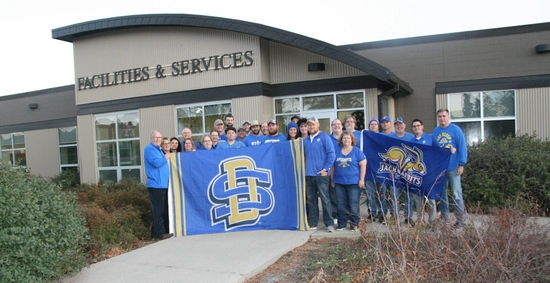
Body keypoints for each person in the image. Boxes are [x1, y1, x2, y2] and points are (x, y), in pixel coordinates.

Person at [432, 108, 467, 229]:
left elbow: (462, 146)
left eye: (444, 116)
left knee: (456, 193)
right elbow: (434, 150)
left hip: (453, 167)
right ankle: (444, 217)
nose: (442, 118)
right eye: (440, 116)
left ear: (448, 117)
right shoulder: (435, 132)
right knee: (442, 194)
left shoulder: (455, 130)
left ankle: (460, 219)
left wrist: (461, 163)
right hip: (441, 168)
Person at [304, 117, 336, 232]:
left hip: (321, 175)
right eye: (309, 125)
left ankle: (329, 224)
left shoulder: (325, 138)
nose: (311, 127)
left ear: (318, 125)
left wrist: (326, 169)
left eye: (313, 124)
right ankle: (313, 222)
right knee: (311, 200)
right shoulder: (306, 140)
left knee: (325, 199)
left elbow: (331, 154)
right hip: (308, 175)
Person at [331, 132, 367, 231]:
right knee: (341, 204)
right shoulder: (337, 151)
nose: (346, 140)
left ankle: (354, 224)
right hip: (339, 183)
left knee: (353, 204)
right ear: (341, 140)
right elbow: (333, 166)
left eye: (348, 138)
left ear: (352, 140)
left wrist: (362, 179)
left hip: (354, 183)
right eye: (344, 138)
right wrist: (332, 179)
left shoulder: (357, 151)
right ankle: (341, 224)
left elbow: (363, 165)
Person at [144, 130, 173, 240]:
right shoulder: (149, 149)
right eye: (155, 137)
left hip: (162, 185)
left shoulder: (158, 150)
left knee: (161, 209)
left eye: (159, 138)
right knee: (158, 210)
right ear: (151, 138)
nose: (157, 139)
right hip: (156, 185)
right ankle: (160, 234)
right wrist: (165, 158)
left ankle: (155, 234)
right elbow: (156, 163)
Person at [410, 118, 439, 226]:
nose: (416, 128)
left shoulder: (431, 138)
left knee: (430, 197)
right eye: (414, 126)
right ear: (412, 128)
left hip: (430, 173)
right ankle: (420, 219)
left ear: (422, 127)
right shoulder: (411, 141)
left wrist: (449, 151)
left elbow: (440, 151)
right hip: (416, 174)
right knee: (418, 199)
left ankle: (432, 221)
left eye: (418, 125)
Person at [389, 117, 416, 225]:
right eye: (396, 124)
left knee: (409, 195)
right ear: (394, 126)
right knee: (394, 195)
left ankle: (408, 217)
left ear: (404, 125)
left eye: (401, 124)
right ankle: (395, 216)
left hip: (408, 171)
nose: (399, 126)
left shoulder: (411, 137)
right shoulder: (390, 138)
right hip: (394, 170)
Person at [364, 118, 383, 222]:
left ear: (378, 126)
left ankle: (382, 213)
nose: (374, 126)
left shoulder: (382, 137)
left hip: (381, 170)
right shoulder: (365, 137)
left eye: (375, 124)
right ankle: (372, 212)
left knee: (382, 193)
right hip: (368, 169)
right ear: (369, 126)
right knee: (370, 193)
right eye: (372, 124)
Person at [328, 119, 344, 221]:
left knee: (344, 195)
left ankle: (345, 214)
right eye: (334, 125)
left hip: (345, 171)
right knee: (333, 195)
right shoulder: (328, 139)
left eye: (338, 124)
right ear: (332, 127)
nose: (336, 126)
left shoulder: (347, 137)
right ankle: (335, 214)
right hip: (332, 170)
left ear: (342, 126)